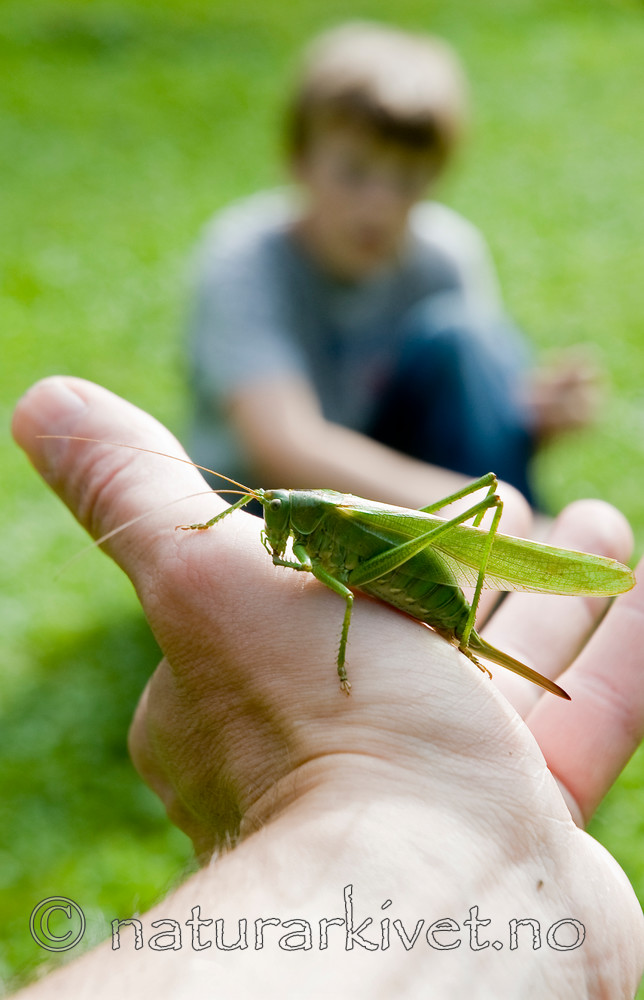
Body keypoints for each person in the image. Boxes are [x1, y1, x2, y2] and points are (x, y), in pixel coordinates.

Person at [10, 376, 644, 997]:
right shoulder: (297, 516)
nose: (268, 520)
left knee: (480, 504)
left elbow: (341, 594)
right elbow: (283, 552)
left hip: (403, 570)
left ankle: (465, 631)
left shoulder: (324, 520)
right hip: (384, 564)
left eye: (272, 510)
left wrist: (344, 666)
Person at [187, 22, 598, 510]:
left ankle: (510, 555)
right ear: (298, 159)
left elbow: (472, 442)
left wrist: (530, 420)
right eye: (354, 171)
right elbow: (283, 451)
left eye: (406, 179)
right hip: (263, 512)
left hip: (403, 511)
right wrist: (484, 514)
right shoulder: (245, 259)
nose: (379, 205)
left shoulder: (446, 255)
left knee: (465, 336)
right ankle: (514, 550)